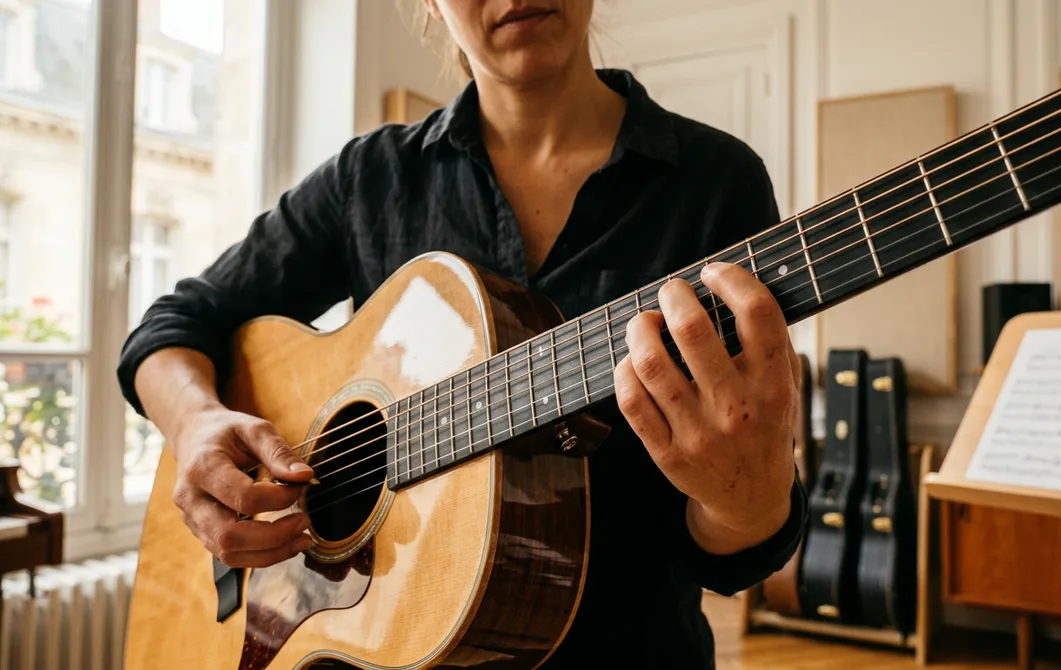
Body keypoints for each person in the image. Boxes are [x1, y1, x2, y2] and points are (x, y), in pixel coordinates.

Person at [117, 0, 808, 667]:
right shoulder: (369, 181)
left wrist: (748, 502)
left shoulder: (717, 184)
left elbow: (730, 556)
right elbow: (173, 326)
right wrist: (195, 422)